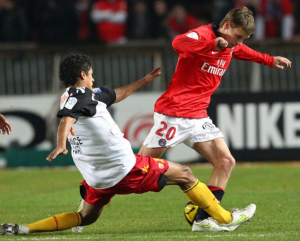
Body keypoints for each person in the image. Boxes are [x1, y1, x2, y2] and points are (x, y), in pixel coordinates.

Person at [0, 53, 256, 235]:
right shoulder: (78, 98)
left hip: (98, 179)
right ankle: (225, 218)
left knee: (85, 219)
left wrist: (143, 82)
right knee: (186, 175)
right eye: (91, 74)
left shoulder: (83, 95)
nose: (93, 78)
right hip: (126, 169)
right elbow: (67, 117)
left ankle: (26, 228)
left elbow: (114, 94)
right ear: (82, 74)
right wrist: (60, 144)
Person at [138, 6, 292, 231]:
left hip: (198, 116)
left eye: (243, 39)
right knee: (139, 173)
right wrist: (211, 45)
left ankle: (203, 220)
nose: (238, 43)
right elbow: (177, 43)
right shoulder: (202, 35)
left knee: (226, 161)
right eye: (238, 37)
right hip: (174, 114)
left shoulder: (230, 44)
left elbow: (243, 51)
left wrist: (269, 59)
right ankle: (91, 196)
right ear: (227, 25)